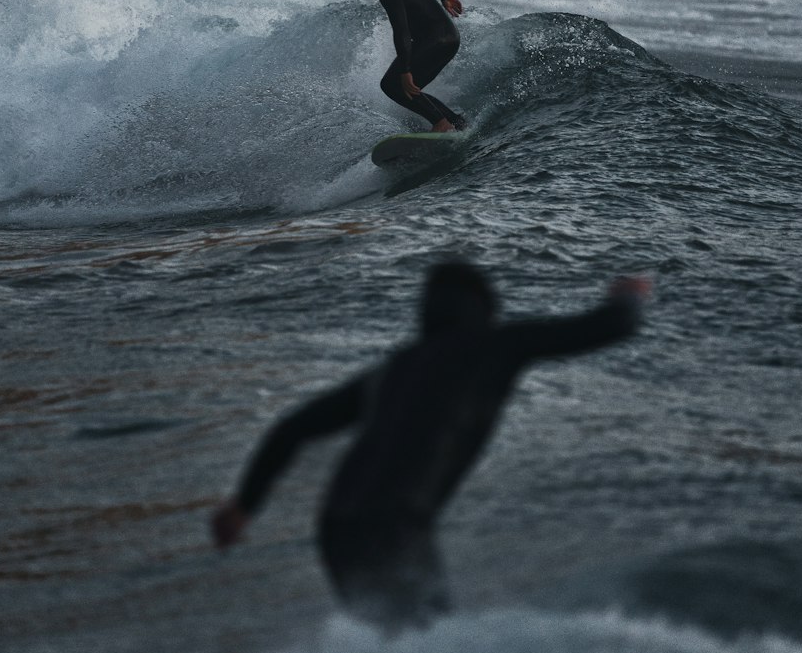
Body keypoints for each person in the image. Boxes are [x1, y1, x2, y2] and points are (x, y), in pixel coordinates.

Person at [211, 263, 649, 628]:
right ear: (485, 309)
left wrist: (244, 505)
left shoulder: (394, 371)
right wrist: (628, 294)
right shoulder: (496, 346)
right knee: (425, 643)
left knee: (389, 645)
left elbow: (291, 429)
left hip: (337, 528)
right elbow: (612, 326)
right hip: (395, 526)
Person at [353, 0, 466, 133]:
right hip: (449, 37)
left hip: (435, 40)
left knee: (393, 85)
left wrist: (405, 70)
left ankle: (441, 124)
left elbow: (401, 29)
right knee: (410, 91)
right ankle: (457, 123)